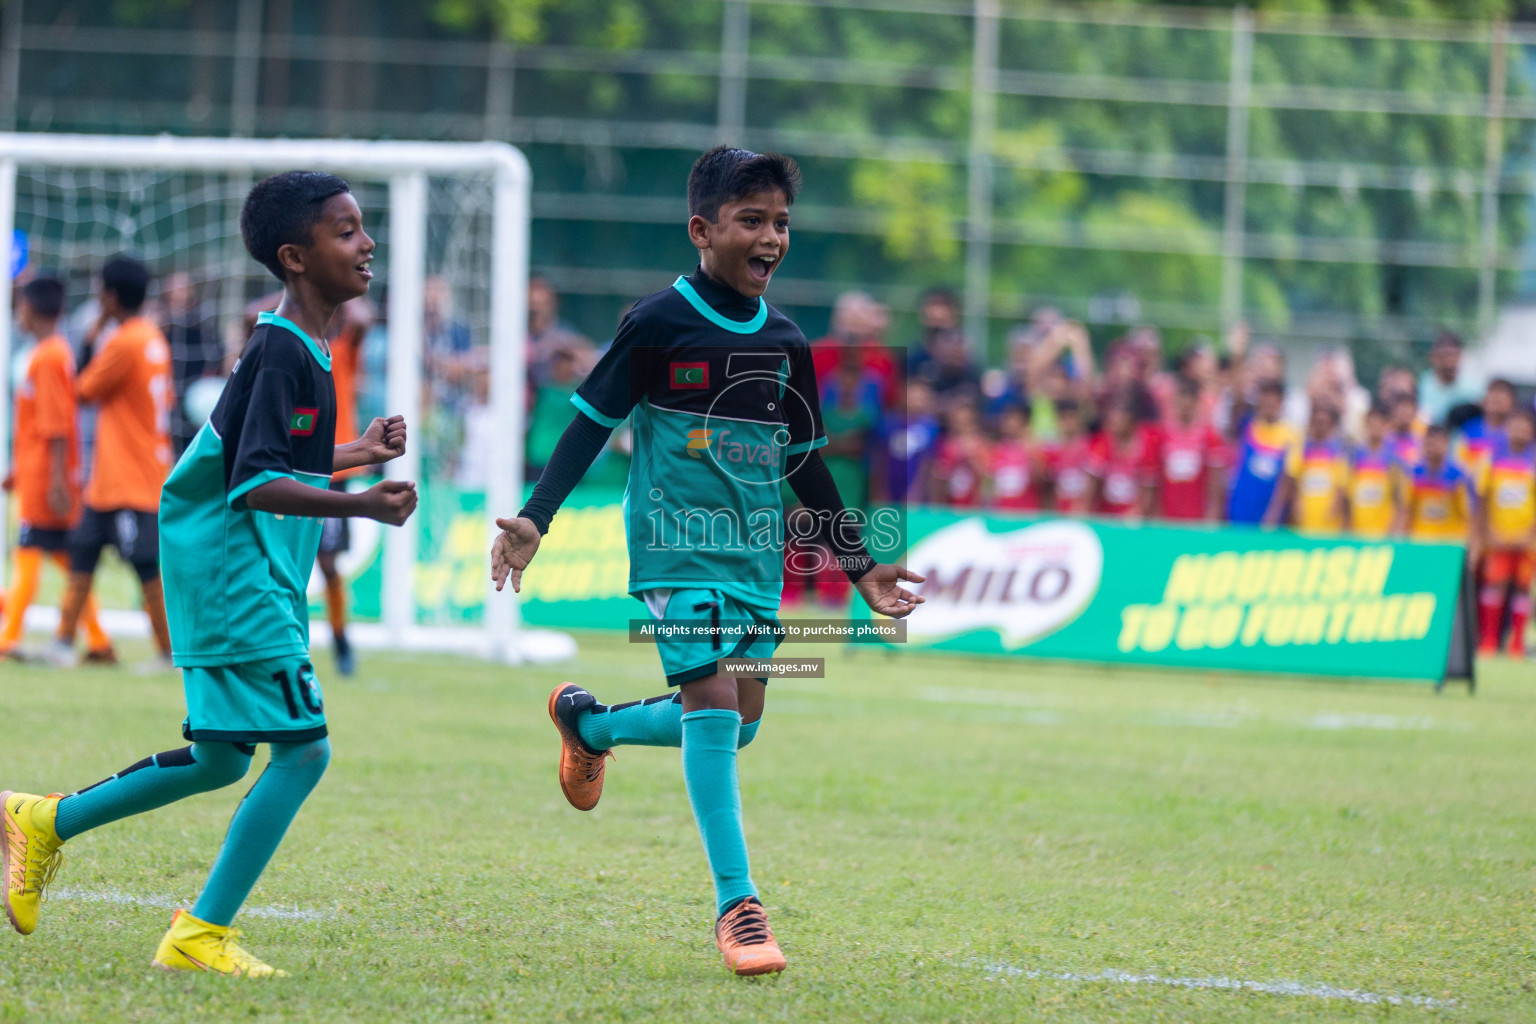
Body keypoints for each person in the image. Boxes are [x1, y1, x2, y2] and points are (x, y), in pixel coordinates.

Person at [489, 147, 924, 977]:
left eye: (782, 223)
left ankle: (591, 724)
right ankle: (740, 908)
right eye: (752, 221)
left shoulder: (790, 343)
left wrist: (862, 563)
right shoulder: (656, 323)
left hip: (753, 560)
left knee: (740, 722)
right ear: (702, 230)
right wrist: (536, 519)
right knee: (714, 696)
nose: (772, 238)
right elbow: (587, 423)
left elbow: (802, 461)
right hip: (673, 551)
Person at [1, 171, 418, 974]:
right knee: (304, 752)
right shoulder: (279, 349)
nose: (366, 244)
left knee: (222, 756)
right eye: (346, 231)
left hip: (231, 566)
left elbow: (264, 456)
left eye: (363, 228)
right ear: (295, 257)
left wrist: (357, 453)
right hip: (235, 575)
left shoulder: (299, 344)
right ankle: (200, 935)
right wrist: (362, 505)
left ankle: (44, 821)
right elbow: (254, 484)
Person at [47, 257, 174, 668]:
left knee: (144, 562)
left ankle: (168, 652)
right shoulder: (152, 336)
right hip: (118, 473)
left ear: (110, 295)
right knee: (83, 549)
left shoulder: (123, 341)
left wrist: (92, 332)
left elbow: (83, 389)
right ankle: (63, 644)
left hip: (130, 476)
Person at [0, 278, 111, 660]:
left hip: (45, 478)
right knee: (65, 560)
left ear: (28, 310)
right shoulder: (51, 353)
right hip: (38, 472)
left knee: (28, 553)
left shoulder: (48, 357)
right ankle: (98, 639)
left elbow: (56, 425)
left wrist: (58, 479)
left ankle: (8, 637)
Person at [317, 296, 372, 677]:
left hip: (336, 473)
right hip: (295, 468)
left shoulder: (343, 349)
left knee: (329, 562)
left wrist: (339, 293)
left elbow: (362, 319)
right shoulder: (294, 350)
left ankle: (340, 642)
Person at [1475, 407, 1536, 656]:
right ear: (1506, 429)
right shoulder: (1491, 460)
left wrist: (1531, 535)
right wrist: (1488, 533)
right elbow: (1482, 500)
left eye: (1525, 426)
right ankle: (1488, 642)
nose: (1520, 431)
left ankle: (1517, 644)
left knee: (1522, 588)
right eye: (1515, 425)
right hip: (1497, 538)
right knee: (1494, 587)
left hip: (1527, 541)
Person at [159, 271, 224, 457]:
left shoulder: (202, 321)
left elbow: (217, 354)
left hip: (197, 392)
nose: (178, 292)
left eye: (183, 287)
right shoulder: (160, 323)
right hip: (170, 392)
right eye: (174, 287)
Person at [1227, 379, 1301, 525]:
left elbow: (1287, 479)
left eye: (1272, 403)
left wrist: (1274, 513)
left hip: (1270, 516)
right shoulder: (1247, 426)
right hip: (1240, 510)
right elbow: (1236, 400)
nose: (1267, 407)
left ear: (1281, 402)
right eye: (1264, 402)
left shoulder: (1291, 435)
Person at [1269, 404, 1348, 533]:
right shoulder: (1301, 449)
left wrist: (1335, 507)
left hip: (1329, 522)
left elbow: (1341, 486)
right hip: (1302, 519)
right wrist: (1296, 503)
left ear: (1332, 425)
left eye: (1324, 423)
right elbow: (1292, 479)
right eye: (1316, 422)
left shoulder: (1338, 453)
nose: (1320, 427)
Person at [1157, 375, 1226, 522]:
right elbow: (1156, 479)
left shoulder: (1210, 437)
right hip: (1167, 517)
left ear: (1196, 403)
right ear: (1175, 403)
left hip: (1197, 518)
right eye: (1181, 406)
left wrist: (1213, 514)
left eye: (1188, 406)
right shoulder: (1162, 435)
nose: (1184, 411)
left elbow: (1215, 481)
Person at [1396, 424, 1476, 548]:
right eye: (1428, 444)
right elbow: (1406, 510)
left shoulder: (1458, 476)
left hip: (1450, 545)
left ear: (1446, 444)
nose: (1432, 449)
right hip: (1420, 543)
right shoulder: (1414, 474)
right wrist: (1400, 541)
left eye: (1436, 444)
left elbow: (1468, 515)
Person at [1086, 397, 1158, 518]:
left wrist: (1139, 511)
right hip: (1106, 516)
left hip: (1132, 519)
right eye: (1112, 417)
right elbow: (1092, 486)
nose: (1113, 422)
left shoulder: (1146, 448)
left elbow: (1148, 490)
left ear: (1131, 421)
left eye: (1118, 418)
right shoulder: (1102, 444)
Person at [1347, 403, 1398, 539]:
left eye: (1379, 423)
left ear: (1387, 426)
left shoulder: (1393, 461)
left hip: (1383, 534)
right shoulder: (1355, 458)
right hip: (1357, 532)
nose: (1374, 428)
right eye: (1371, 423)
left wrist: (1392, 532)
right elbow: (1348, 498)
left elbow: (1399, 501)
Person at [932, 401, 990, 508]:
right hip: (950, 503)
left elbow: (987, 477)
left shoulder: (981, 445)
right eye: (956, 421)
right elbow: (940, 475)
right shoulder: (947, 444)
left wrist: (971, 459)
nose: (959, 425)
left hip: (974, 504)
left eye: (964, 421)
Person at [1419, 331, 1484, 426]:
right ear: (1433, 357)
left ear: (1460, 355)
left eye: (1452, 355)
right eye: (1443, 356)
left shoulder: (1474, 388)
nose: (1448, 362)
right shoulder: (1423, 385)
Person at [990, 403, 1047, 512]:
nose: (1008, 423)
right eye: (1006, 419)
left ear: (1024, 422)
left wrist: (1033, 456)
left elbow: (1041, 482)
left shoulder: (1034, 448)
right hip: (1001, 511)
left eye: (1012, 420)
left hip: (1026, 512)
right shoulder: (998, 449)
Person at [1455, 378, 1515, 481]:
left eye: (1501, 400)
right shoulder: (1469, 430)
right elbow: (1458, 464)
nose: (1496, 404)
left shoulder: (1517, 434)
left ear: (1512, 403)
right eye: (1493, 399)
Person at [1044, 397, 1093, 513]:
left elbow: (1093, 483)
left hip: (1082, 510)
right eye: (1063, 418)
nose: (1068, 422)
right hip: (1059, 508)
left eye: (1072, 417)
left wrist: (1083, 505)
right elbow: (1049, 484)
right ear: (1057, 420)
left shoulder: (1089, 446)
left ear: (1079, 419)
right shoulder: (1051, 448)